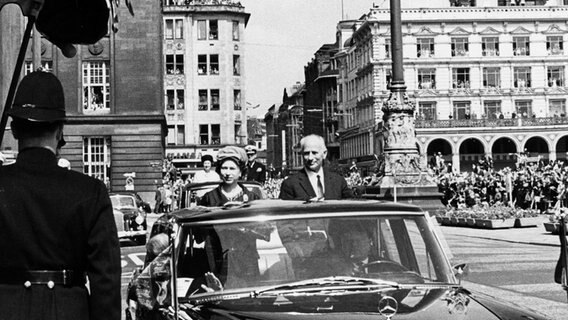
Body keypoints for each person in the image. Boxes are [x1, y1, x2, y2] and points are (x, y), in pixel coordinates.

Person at [0, 71, 121, 320]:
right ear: (59, 131)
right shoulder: (90, 192)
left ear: (14, 130)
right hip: (68, 310)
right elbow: (105, 281)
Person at [279, 134, 353, 200]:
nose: (310, 158)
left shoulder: (338, 181)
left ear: (324, 154)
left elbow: (350, 208)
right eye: (306, 153)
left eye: (314, 153)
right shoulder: (290, 184)